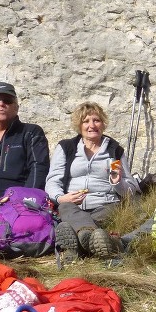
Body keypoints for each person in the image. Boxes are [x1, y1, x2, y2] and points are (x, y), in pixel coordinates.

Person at [46, 102, 139, 258]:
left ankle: (79, 242)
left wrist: (117, 182)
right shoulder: (66, 147)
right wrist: (61, 198)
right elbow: (52, 181)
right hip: (73, 206)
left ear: (103, 123)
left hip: (106, 205)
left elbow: (131, 190)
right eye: (86, 121)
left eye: (96, 120)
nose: (92, 125)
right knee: (65, 208)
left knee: (111, 210)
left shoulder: (114, 149)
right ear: (79, 125)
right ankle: (94, 238)